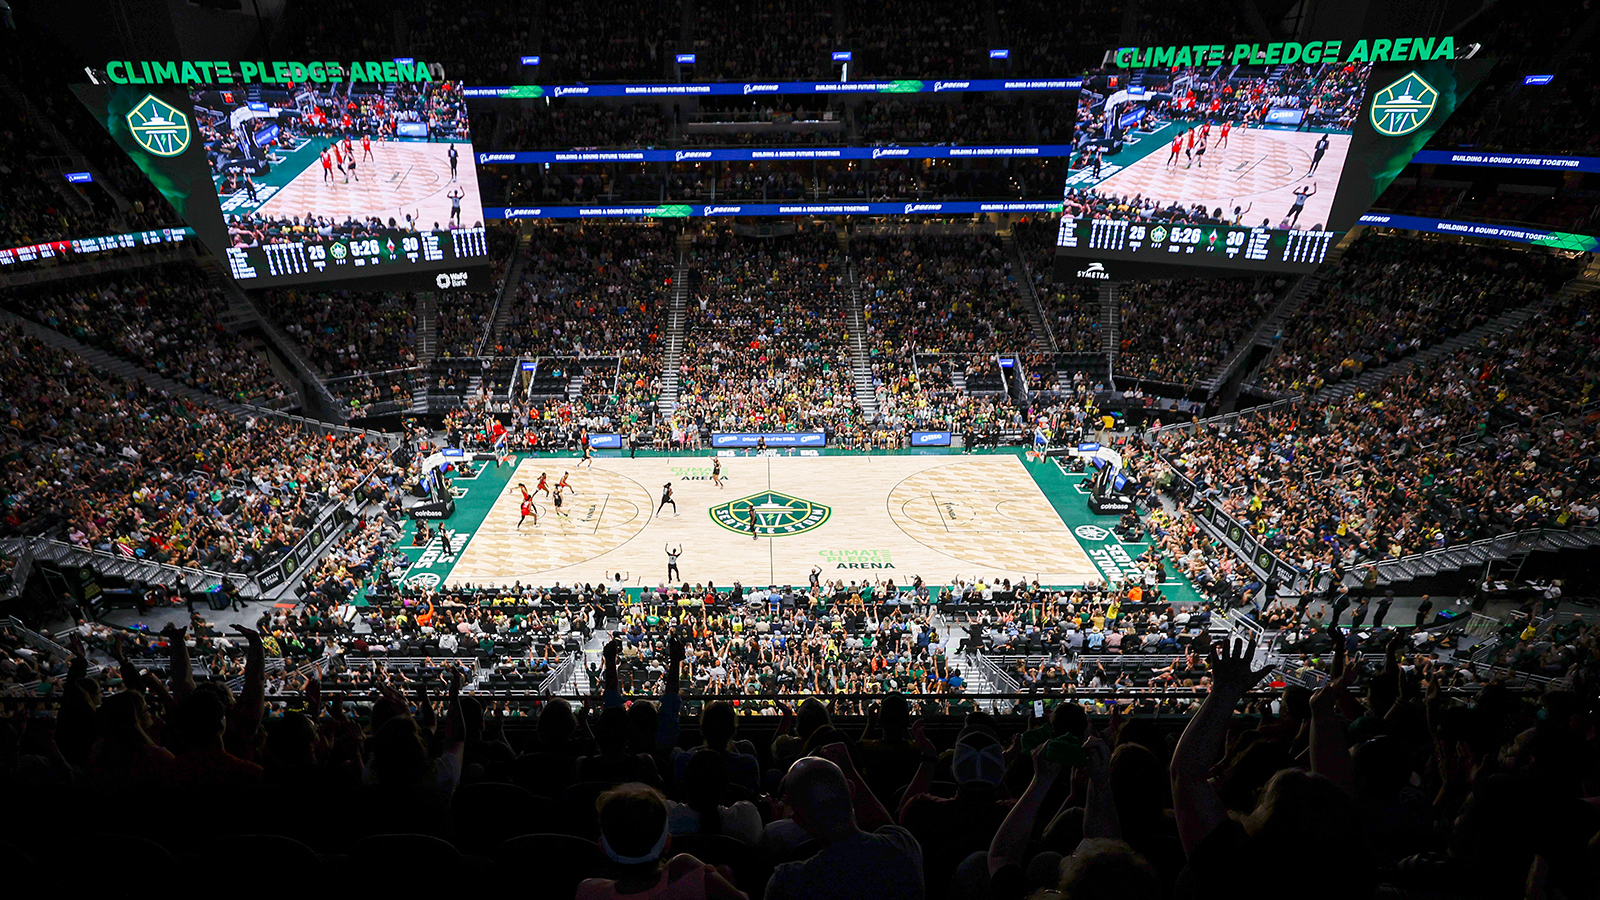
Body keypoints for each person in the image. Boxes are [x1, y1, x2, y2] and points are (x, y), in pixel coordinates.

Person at [765, 755, 925, 900]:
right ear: (852, 790)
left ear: (798, 820)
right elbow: (887, 826)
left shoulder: (787, 884)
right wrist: (849, 769)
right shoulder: (905, 847)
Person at [576, 783, 748, 900]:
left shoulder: (588, 892)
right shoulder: (698, 882)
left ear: (602, 847)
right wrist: (710, 873)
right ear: (667, 844)